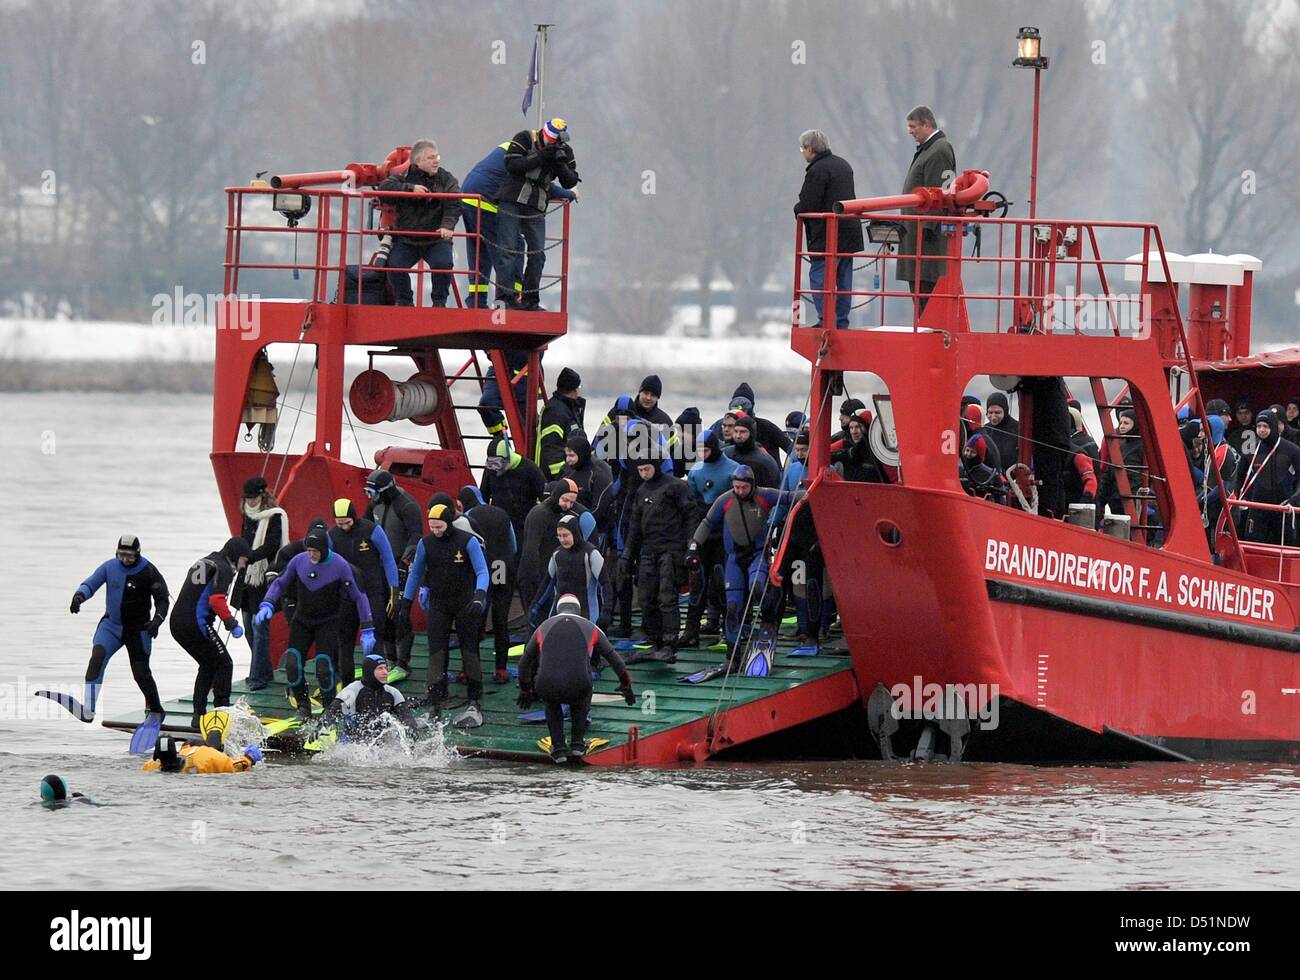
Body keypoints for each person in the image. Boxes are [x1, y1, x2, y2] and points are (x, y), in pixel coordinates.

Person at [42, 536, 170, 724]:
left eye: (130, 556)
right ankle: (88, 710)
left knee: (141, 674)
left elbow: (162, 599)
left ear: (138, 554)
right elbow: (91, 583)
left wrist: (157, 620)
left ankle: (157, 710)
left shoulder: (148, 571)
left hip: (139, 630)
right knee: (97, 659)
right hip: (111, 626)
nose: (125, 560)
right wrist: (79, 596)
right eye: (122, 555)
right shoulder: (110, 567)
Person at [257, 527, 375, 721]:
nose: (311, 554)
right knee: (293, 664)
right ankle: (303, 707)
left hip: (327, 623)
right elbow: (280, 583)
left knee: (323, 666)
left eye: (315, 551)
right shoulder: (299, 561)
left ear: (324, 549)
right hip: (302, 621)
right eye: (309, 550)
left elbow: (359, 596)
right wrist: (268, 603)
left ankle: (330, 708)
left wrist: (368, 628)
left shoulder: (339, 565)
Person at [517, 594, 634, 763]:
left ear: (558, 609)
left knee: (552, 701)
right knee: (583, 690)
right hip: (578, 686)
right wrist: (626, 687)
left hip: (547, 686)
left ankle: (558, 748)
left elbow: (523, 664)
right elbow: (616, 661)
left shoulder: (543, 627)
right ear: (579, 611)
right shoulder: (591, 627)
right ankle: (578, 744)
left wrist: (525, 690)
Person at [400, 503, 489, 725]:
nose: (436, 531)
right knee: (436, 654)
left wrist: (480, 595)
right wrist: (405, 603)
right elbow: (416, 573)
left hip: (465, 603)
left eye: (439, 527)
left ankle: (474, 702)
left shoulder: (467, 540)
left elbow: (482, 570)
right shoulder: (426, 543)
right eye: (432, 527)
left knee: (469, 651)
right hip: (439, 604)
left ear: (448, 522)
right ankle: (434, 704)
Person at [687, 466, 787, 652]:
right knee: (732, 608)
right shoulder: (725, 500)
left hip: (757, 555)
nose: (740, 491)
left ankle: (768, 619)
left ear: (752, 485)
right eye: (736, 487)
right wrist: (693, 547)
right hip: (734, 559)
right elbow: (707, 523)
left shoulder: (764, 496)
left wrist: (812, 492)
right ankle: (732, 655)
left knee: (756, 588)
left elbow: (790, 497)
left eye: (744, 487)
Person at [495, 117, 580, 310]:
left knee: (538, 254)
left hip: (536, 203)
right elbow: (512, 166)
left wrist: (560, 164)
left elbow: (570, 181)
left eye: (556, 140)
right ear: (543, 133)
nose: (553, 143)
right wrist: (540, 157)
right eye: (550, 138)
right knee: (507, 250)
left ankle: (530, 300)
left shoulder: (565, 151)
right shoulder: (524, 138)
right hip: (512, 199)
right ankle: (505, 299)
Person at [170, 537, 253, 728]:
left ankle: (198, 717)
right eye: (244, 561)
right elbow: (216, 600)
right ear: (236, 555)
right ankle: (222, 713)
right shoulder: (224, 567)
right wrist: (231, 623)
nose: (243, 566)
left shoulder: (207, 560)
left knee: (208, 664)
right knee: (225, 664)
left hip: (177, 623)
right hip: (195, 623)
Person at [620, 456, 693, 662]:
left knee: (667, 597)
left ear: (656, 466)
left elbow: (691, 516)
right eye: (640, 470)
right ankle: (656, 642)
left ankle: (670, 644)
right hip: (648, 551)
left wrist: (691, 546)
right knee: (645, 598)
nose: (644, 474)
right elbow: (634, 526)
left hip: (671, 550)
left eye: (647, 469)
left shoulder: (675, 487)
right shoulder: (641, 491)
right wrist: (627, 555)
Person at [377, 139, 462, 307]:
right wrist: (409, 189)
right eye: (431, 158)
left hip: (436, 238)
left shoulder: (447, 179)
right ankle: (405, 302)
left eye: (437, 156)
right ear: (418, 161)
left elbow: (454, 204)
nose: (436, 160)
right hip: (407, 239)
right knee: (395, 267)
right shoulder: (403, 178)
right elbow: (384, 190)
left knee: (443, 264)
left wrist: (447, 226)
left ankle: (439, 304)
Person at [794, 129, 863, 329]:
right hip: (848, 231)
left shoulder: (817, 170)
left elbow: (807, 203)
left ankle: (826, 320)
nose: (802, 153)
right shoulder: (844, 165)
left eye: (802, 149)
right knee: (843, 280)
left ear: (810, 149)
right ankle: (841, 321)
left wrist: (797, 210)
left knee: (819, 278)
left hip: (826, 236)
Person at [329, 498, 399, 685]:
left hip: (372, 592)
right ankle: (347, 686)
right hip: (346, 595)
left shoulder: (370, 529)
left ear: (354, 517)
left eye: (347, 522)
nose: (344, 527)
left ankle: (378, 684)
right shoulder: (332, 535)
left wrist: (394, 590)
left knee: (375, 638)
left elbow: (388, 558)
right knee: (345, 641)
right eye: (339, 523)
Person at [682, 427, 739, 646]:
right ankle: (691, 631)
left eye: (706, 450)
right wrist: (693, 539)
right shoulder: (696, 472)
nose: (702, 455)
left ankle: (730, 630)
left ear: (714, 448)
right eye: (699, 451)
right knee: (698, 582)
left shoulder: (732, 470)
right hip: (705, 531)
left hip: (725, 533)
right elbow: (694, 505)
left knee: (722, 581)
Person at [897, 106, 956, 315]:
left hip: (926, 242)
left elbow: (939, 193)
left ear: (926, 124)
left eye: (913, 126)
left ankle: (930, 332)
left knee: (927, 297)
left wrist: (928, 228)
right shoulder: (930, 149)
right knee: (920, 296)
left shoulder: (939, 150)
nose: (910, 131)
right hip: (917, 238)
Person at [363, 468, 424, 671]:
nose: (371, 497)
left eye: (374, 493)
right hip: (381, 566)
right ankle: (389, 657)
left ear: (386, 490)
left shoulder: (407, 505)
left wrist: (404, 564)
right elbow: (364, 527)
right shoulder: (375, 504)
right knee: (382, 612)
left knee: (399, 612)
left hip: (401, 565)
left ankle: (403, 662)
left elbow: (416, 536)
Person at [458, 485, 518, 683]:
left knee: (474, 619)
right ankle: (501, 669)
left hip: (482, 570)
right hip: (504, 567)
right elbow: (513, 544)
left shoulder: (468, 516)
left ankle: (469, 670)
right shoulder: (502, 513)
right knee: (501, 620)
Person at [235, 476, 287, 691]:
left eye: (254, 498)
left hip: (264, 579)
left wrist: (249, 557)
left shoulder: (275, 516)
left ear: (263, 496)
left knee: (259, 628)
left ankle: (257, 677)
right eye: (248, 498)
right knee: (249, 628)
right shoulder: (247, 514)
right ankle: (265, 671)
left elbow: (273, 545)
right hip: (247, 580)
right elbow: (242, 540)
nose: (251, 502)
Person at [518, 479, 591, 611]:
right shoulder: (540, 514)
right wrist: (537, 582)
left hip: (548, 576)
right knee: (536, 620)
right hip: (534, 576)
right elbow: (531, 549)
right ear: (557, 495)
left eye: (572, 502)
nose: (568, 505)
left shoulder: (560, 514)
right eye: (565, 500)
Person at [531, 513, 612, 626]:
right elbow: (547, 583)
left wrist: (606, 612)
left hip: (586, 612)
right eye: (559, 536)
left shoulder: (591, 553)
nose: (562, 539)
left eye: (566, 535)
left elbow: (605, 584)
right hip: (558, 611)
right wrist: (535, 606)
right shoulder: (557, 554)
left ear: (574, 533)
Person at [1234, 411, 1300, 544]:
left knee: (1284, 549)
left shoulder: (1292, 450)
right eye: (1259, 426)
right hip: (1257, 510)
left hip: (1283, 510)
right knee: (1253, 547)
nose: (1261, 430)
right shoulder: (1250, 449)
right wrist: (1242, 498)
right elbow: (1239, 477)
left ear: (1273, 427)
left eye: (1265, 426)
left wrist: (1294, 501)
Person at [317, 654, 419, 739]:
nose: (385, 672)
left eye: (386, 668)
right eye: (380, 669)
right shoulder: (352, 690)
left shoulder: (393, 693)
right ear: (369, 671)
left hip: (380, 745)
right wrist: (320, 727)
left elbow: (408, 719)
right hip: (352, 745)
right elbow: (331, 712)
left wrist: (412, 731)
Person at [481, 435, 547, 543]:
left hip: (526, 525)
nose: (494, 468)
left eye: (497, 463)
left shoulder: (529, 468)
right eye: (490, 464)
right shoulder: (490, 471)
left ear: (508, 458)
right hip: (501, 525)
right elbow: (483, 496)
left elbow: (544, 496)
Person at [538, 367, 586, 477]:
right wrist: (561, 475)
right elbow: (551, 446)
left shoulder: (568, 408)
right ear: (573, 390)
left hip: (571, 470)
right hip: (556, 477)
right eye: (578, 388)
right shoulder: (555, 412)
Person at [561, 431, 614, 531]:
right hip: (567, 528)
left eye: (572, 456)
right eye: (566, 455)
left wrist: (578, 525)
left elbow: (599, 508)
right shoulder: (567, 473)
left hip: (593, 529)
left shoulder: (598, 476)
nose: (568, 460)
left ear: (582, 455)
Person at [144, 734, 262, 774]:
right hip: (201, 757)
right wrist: (250, 757)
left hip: (190, 753)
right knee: (213, 737)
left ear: (156, 756)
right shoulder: (206, 756)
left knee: (190, 742)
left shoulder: (150, 766)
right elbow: (238, 765)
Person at [726, 415, 782, 488]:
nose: (738, 436)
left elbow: (772, 491)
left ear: (752, 434)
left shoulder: (765, 461)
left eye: (743, 432)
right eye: (736, 431)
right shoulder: (725, 454)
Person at [831, 411, 883, 483]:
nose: (853, 432)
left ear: (867, 428)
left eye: (858, 427)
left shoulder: (880, 450)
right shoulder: (845, 445)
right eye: (851, 428)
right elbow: (821, 455)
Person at [984, 392, 1020, 467]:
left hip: (1011, 476)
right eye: (990, 412)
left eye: (997, 412)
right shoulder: (985, 430)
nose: (993, 417)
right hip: (989, 475)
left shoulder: (1018, 429)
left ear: (1005, 411)